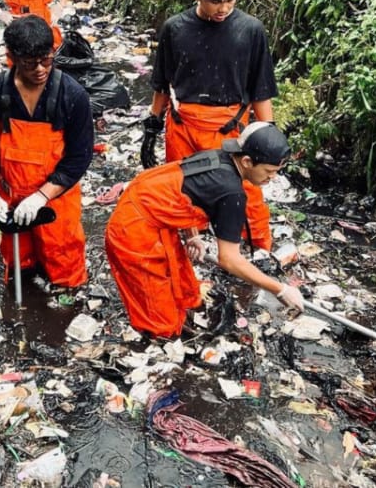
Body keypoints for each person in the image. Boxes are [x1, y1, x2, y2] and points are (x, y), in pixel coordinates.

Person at [107, 122, 305, 339]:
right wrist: (280, 289)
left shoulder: (220, 156)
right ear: (247, 161)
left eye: (276, 172)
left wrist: (193, 236)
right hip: (133, 229)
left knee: (185, 288)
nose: (272, 178)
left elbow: (188, 194)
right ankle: (160, 336)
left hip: (150, 212)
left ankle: (186, 316)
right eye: (269, 171)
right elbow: (229, 260)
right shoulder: (232, 194)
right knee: (160, 322)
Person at [141, 0, 277, 251]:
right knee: (184, 191)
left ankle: (259, 254)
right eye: (216, 1)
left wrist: (268, 134)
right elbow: (163, 83)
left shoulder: (250, 30)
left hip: (231, 128)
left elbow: (260, 88)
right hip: (183, 125)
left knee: (247, 196)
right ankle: (194, 245)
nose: (224, 8)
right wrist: (152, 126)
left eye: (231, 0)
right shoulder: (175, 29)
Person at [0, 15, 94, 290]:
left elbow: (79, 157)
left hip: (55, 198)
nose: (40, 69)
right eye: (30, 63)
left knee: (65, 268)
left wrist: (40, 196)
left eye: (47, 60)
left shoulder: (72, 96)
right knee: (19, 267)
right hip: (11, 196)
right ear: (11, 57)